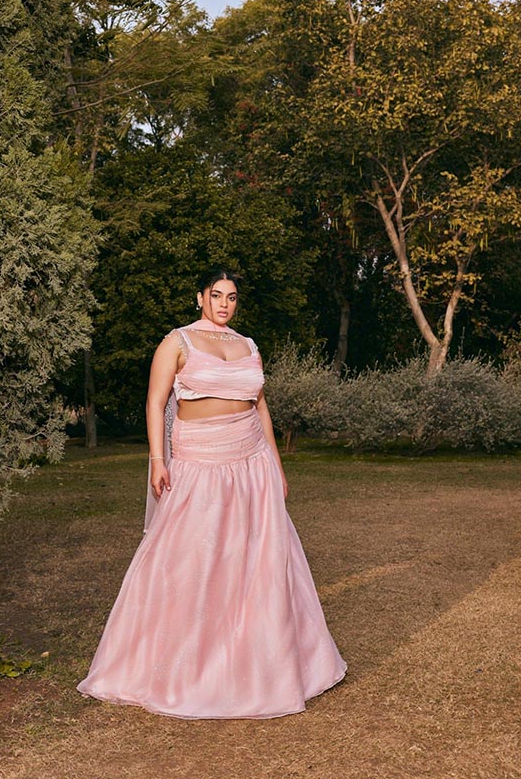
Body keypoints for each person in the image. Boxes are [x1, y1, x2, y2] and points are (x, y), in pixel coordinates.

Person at [77, 267, 346, 719]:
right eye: (216, 295)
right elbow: (155, 402)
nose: (224, 304)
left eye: (232, 297)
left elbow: (260, 406)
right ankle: (180, 667)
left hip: (252, 462)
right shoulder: (177, 342)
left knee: (257, 561)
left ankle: (261, 664)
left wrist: (277, 466)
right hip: (198, 460)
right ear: (200, 297)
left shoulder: (248, 345)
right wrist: (157, 459)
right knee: (191, 560)